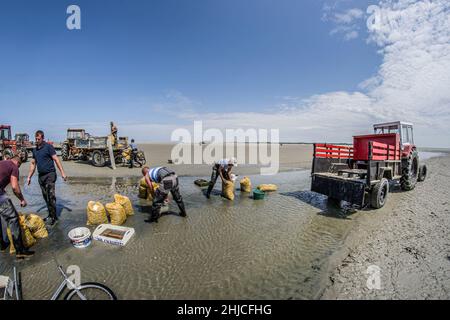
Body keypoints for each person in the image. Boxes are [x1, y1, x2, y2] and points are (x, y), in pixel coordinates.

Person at [27, 130, 67, 226]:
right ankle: (50, 214)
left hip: (50, 175)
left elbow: (56, 160)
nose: (37, 140)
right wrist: (29, 177)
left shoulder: (49, 147)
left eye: (38, 139)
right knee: (45, 197)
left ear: (42, 138)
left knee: (51, 196)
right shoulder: (35, 150)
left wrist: (63, 173)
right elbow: (33, 164)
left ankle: (54, 218)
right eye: (36, 139)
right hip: (41, 177)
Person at [0, 155, 34, 258]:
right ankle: (20, 251)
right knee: (13, 218)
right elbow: (15, 187)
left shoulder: (2, 163)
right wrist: (22, 199)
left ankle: (2, 245)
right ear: (18, 163)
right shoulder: (14, 166)